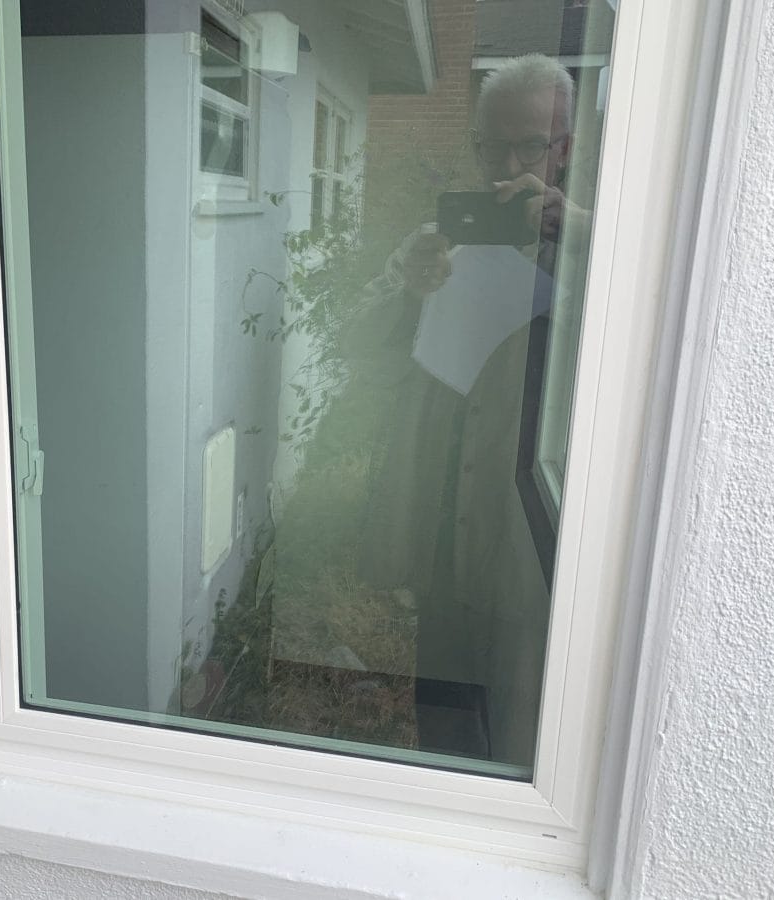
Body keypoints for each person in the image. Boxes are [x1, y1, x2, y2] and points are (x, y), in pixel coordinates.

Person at [341, 54, 592, 762]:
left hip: (535, 547)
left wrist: (577, 236)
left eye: (529, 146)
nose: (505, 167)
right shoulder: (438, 242)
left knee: (523, 738)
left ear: (564, 149)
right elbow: (358, 346)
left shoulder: (598, 250)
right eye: (490, 146)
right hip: (443, 536)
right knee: (444, 727)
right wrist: (408, 290)